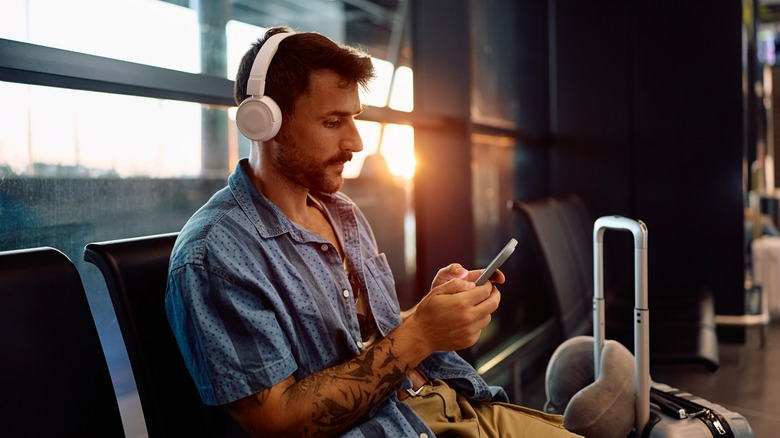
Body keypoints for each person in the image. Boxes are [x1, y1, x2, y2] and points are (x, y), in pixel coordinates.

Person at [165, 26, 581, 438]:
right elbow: (276, 424)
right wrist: (420, 335)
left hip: (451, 401)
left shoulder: (342, 213)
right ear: (264, 122)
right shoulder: (214, 253)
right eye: (333, 122)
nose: (356, 142)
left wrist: (430, 312)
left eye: (354, 119)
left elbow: (365, 337)